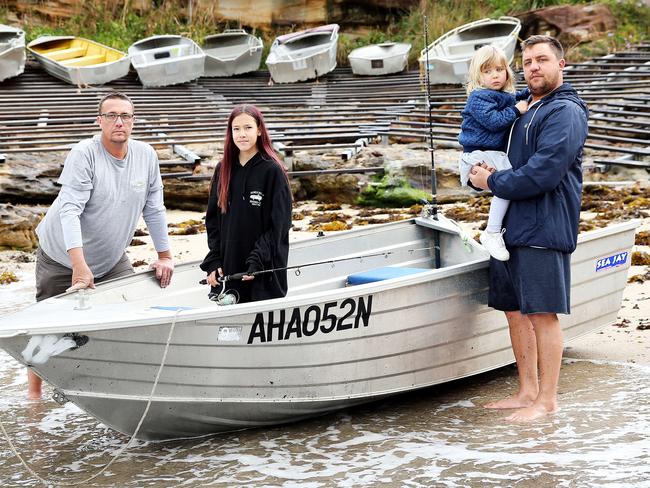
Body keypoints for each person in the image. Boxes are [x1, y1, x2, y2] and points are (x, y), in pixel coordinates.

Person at [469, 35, 588, 422]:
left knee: (542, 313)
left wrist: (494, 184)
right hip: (509, 229)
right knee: (515, 312)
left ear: (561, 64)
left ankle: (547, 400)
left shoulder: (565, 111)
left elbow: (544, 173)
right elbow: (499, 159)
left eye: (542, 60)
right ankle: (527, 391)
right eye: (528, 62)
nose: (534, 67)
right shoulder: (523, 107)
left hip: (544, 225)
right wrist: (476, 176)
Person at [30, 91, 174, 399]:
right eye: (111, 116)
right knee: (45, 328)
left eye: (125, 116)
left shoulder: (146, 156)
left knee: (131, 318)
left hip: (111, 259)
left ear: (133, 122)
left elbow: (154, 208)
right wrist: (79, 266)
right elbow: (70, 210)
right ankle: (34, 400)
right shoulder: (84, 154)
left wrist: (165, 256)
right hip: (61, 258)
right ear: (100, 121)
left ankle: (117, 389)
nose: (119, 122)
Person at [200, 104, 292, 303]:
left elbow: (280, 225)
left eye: (248, 128)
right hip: (230, 269)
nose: (242, 134)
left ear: (259, 130)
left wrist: (257, 260)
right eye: (236, 129)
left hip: (263, 269)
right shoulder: (222, 169)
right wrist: (214, 260)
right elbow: (213, 222)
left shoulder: (273, 170)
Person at [458, 44, 530, 261]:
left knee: (507, 184)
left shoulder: (500, 95)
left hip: (489, 152)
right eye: (487, 71)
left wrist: (533, 91)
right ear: (478, 76)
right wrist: (517, 110)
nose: (495, 75)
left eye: (499, 69)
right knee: (507, 183)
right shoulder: (478, 98)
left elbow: (517, 94)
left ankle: (495, 230)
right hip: (478, 153)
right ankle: (491, 232)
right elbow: (493, 121)